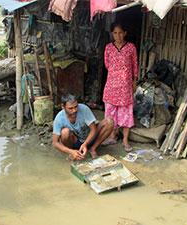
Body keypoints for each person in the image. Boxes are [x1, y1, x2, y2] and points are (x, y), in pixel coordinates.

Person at [102, 22, 138, 152]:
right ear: (112, 34)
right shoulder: (108, 48)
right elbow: (107, 64)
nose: (118, 36)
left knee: (126, 113)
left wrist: (134, 81)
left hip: (125, 86)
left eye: (121, 32)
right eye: (115, 33)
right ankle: (112, 136)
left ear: (125, 33)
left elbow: (135, 66)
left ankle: (125, 140)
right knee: (110, 112)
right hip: (111, 85)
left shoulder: (131, 48)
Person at [52, 94, 114, 160]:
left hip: (91, 138)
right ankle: (73, 152)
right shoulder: (59, 118)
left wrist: (85, 144)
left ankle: (93, 148)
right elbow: (55, 143)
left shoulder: (84, 109)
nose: (74, 110)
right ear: (63, 107)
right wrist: (71, 151)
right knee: (65, 132)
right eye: (70, 108)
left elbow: (93, 129)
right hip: (76, 141)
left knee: (109, 122)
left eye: (76, 107)